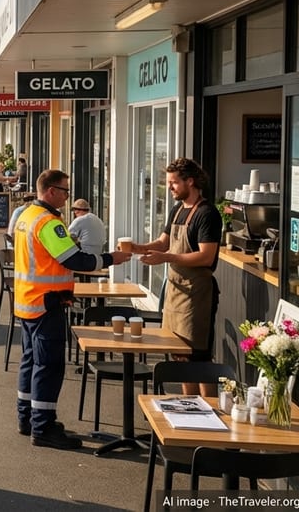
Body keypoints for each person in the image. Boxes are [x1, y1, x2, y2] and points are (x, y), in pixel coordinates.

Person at [13, 169, 131, 450]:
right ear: (51, 191)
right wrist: (111, 258)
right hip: (47, 303)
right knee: (49, 366)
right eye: (65, 191)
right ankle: (43, 427)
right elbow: (75, 260)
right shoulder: (48, 222)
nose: (68, 197)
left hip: (28, 302)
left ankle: (27, 418)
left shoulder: (27, 216)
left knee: (31, 362)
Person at [129, 158, 221, 394]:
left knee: (198, 358)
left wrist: (167, 258)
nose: (169, 188)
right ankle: (188, 406)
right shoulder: (177, 209)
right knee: (178, 356)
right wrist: (137, 248)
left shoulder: (207, 214)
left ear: (190, 182)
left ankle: (210, 413)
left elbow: (206, 257)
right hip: (176, 292)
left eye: (173, 183)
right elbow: (163, 242)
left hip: (197, 295)